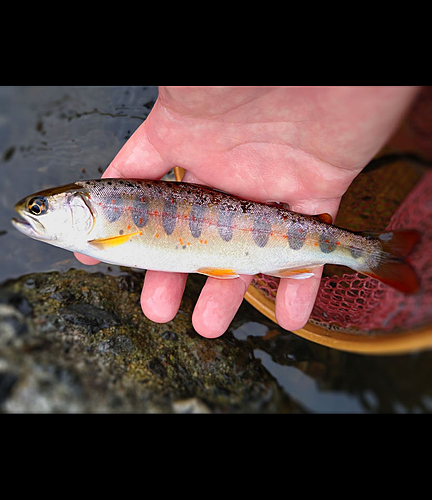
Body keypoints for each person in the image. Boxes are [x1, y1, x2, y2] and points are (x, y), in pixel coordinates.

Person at [74, 86, 420, 338]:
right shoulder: (103, 218)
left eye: (39, 209)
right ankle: (370, 251)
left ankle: (369, 253)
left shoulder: (102, 217)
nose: (32, 216)